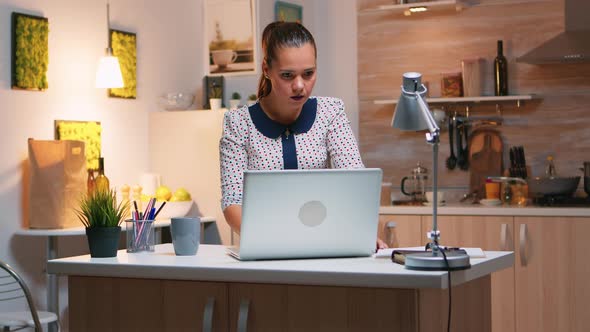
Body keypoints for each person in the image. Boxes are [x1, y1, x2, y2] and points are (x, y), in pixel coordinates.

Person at [219, 21, 387, 249]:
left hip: (328, 244)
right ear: (266, 69)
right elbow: (233, 203)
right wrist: (272, 243)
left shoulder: (331, 113)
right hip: (265, 249)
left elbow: (355, 183)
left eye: (308, 74)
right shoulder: (238, 124)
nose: (300, 86)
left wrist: (361, 233)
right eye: (287, 75)